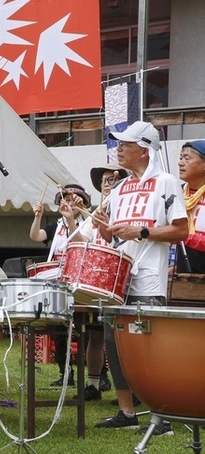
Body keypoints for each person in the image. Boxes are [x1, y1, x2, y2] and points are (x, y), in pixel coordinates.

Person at [94, 121, 187, 432]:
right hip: (116, 279)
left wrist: (143, 231)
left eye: (125, 144)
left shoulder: (166, 182)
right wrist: (104, 229)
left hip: (148, 278)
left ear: (145, 150)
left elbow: (181, 230)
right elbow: (112, 239)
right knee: (114, 345)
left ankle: (162, 414)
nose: (118, 149)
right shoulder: (119, 188)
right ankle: (127, 412)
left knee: (148, 349)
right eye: (118, 143)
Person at [68, 163, 128, 401]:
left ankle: (131, 389)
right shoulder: (95, 212)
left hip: (121, 277)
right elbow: (83, 239)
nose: (106, 183)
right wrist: (72, 220)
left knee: (122, 338)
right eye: (103, 180)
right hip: (98, 278)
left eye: (111, 179)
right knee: (94, 336)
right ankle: (93, 385)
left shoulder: (125, 207)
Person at [29, 182, 91, 386]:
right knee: (58, 327)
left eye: (74, 199)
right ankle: (66, 373)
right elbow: (35, 236)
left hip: (79, 277)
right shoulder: (56, 226)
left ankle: (93, 374)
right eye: (65, 198)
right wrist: (37, 217)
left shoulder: (88, 222)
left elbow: (81, 244)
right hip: (57, 276)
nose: (69, 202)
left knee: (86, 327)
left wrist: (72, 220)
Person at [177, 139, 205, 273]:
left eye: (187, 158)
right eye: (180, 158)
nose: (180, 163)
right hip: (182, 276)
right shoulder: (177, 192)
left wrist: (182, 236)